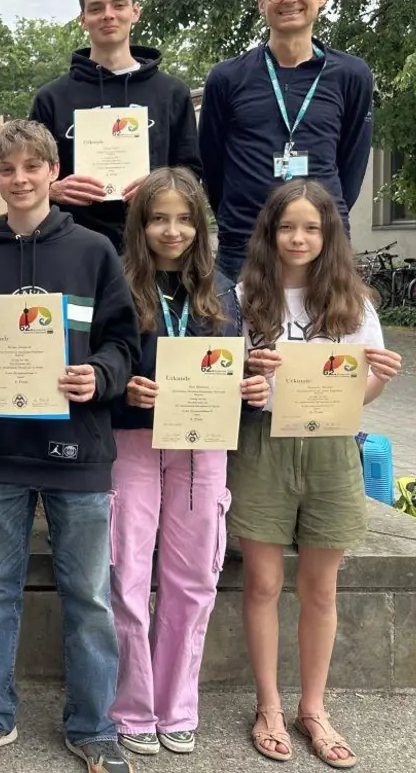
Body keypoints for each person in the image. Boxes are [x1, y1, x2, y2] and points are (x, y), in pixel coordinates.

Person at [0, 120, 140, 773]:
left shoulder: (95, 250)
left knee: (88, 598)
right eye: (8, 170)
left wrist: (103, 376)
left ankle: (93, 728)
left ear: (52, 171)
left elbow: (123, 341)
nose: (21, 179)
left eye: (33, 167)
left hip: (78, 449)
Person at [231, 179, 403, 768]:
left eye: (311, 227)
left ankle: (314, 708)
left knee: (320, 588)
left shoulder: (354, 301)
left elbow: (365, 394)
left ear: (328, 235)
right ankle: (270, 705)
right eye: (287, 227)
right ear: (269, 234)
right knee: (261, 584)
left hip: (332, 448)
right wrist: (248, 383)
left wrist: (380, 375)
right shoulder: (243, 298)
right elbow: (232, 386)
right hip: (263, 445)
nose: (298, 237)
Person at [108, 168, 269, 757]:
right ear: (140, 225)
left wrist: (252, 395)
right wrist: (122, 389)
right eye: (158, 218)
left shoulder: (223, 291)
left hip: (201, 449)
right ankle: (131, 706)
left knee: (193, 578)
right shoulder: (118, 285)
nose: (171, 230)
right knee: (126, 576)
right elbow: (101, 366)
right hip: (132, 444)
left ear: (201, 225)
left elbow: (235, 376)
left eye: (183, 218)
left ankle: (177, 706)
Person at [200, 0, 375, 282]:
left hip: (321, 241)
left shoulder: (352, 75)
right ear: (261, 3)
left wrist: (319, 214)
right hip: (245, 243)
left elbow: (352, 163)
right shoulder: (227, 78)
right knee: (241, 334)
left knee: (326, 333)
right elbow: (212, 164)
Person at [29, 0, 201, 253]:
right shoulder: (51, 98)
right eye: (96, 8)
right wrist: (52, 189)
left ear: (135, 11)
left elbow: (193, 173)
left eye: (118, 5)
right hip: (75, 251)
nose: (108, 15)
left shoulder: (171, 92)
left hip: (154, 251)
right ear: (83, 19)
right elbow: (29, 172)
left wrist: (161, 185)